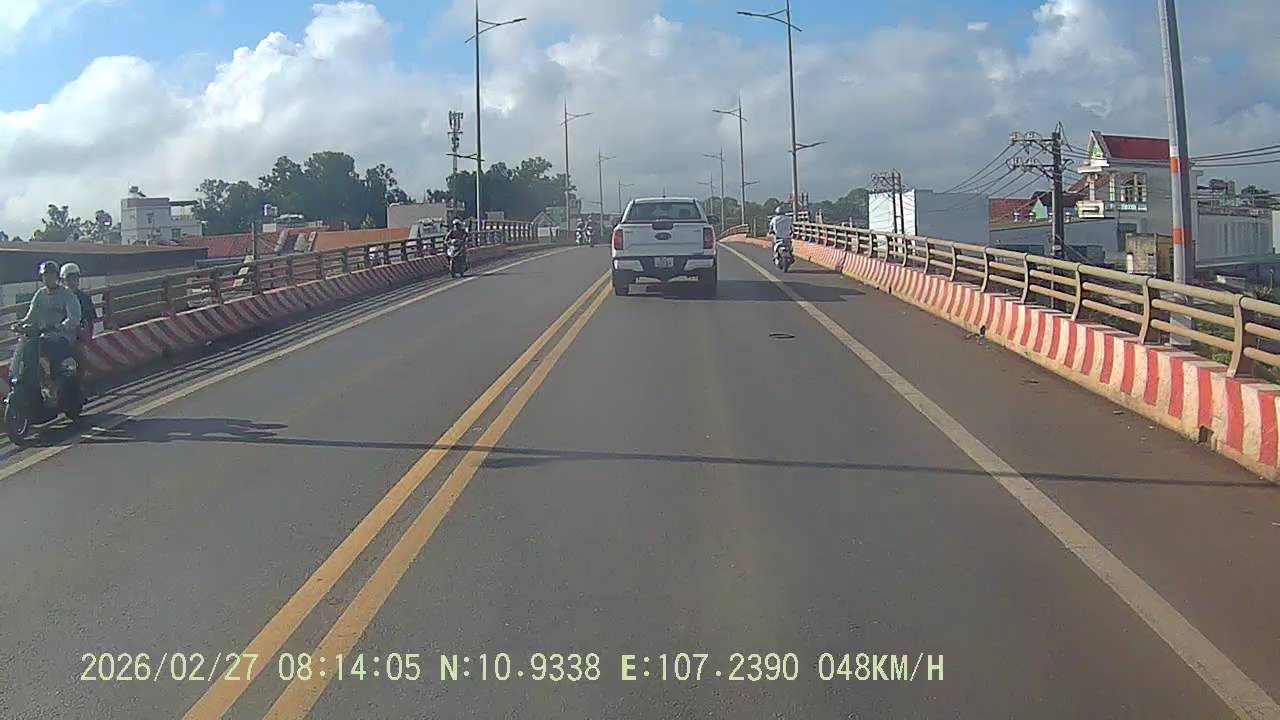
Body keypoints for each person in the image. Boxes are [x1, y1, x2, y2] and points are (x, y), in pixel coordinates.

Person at [17, 260, 81, 377]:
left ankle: (57, 377)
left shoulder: (66, 294)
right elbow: (31, 315)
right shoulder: (40, 294)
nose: (48, 278)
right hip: (45, 335)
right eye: (45, 275)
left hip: (63, 336)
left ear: (57, 276)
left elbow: (74, 317)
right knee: (30, 348)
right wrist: (20, 324)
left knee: (55, 351)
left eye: (51, 275)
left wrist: (63, 325)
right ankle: (30, 378)